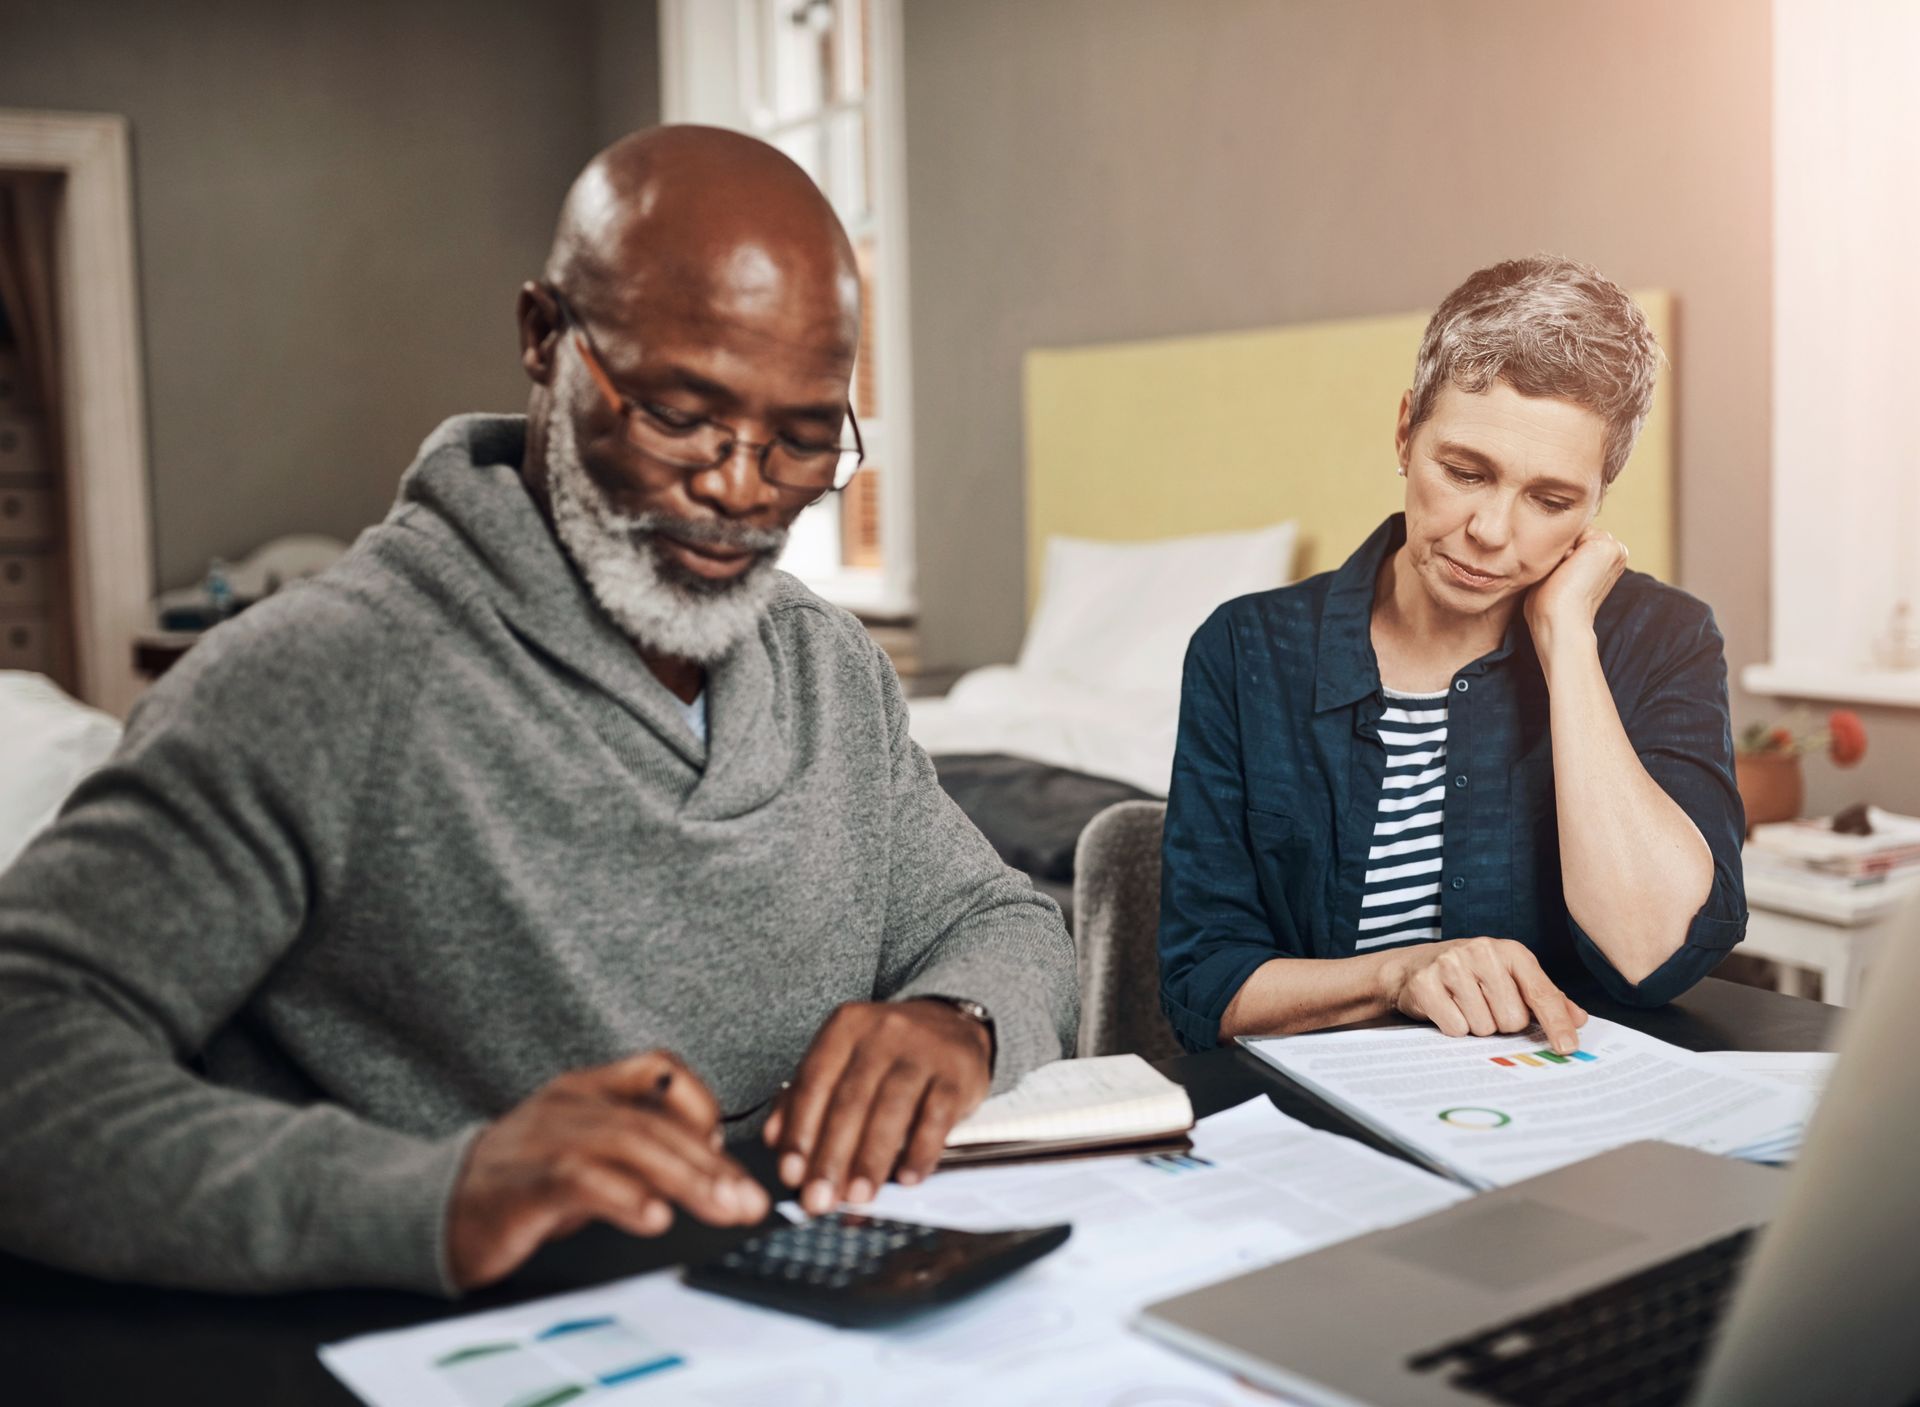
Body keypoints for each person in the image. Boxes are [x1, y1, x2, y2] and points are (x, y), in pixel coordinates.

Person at [0, 127, 1076, 1295]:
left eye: (805, 440)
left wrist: (959, 1019)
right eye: (678, 415)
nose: (738, 488)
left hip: (815, 1315)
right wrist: (437, 1194)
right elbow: (28, 1053)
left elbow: (1007, 919)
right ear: (543, 339)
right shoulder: (319, 681)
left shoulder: (826, 666)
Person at [1158, 255, 1745, 1054]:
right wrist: (1395, 975)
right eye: (1466, 472)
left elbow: (1652, 955)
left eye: (1551, 500)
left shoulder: (1663, 639)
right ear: (1405, 432)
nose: (1494, 532)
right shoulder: (1247, 649)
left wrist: (1567, 636)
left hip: (1562, 1115)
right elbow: (1204, 984)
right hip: (1325, 1119)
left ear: (1599, 499)